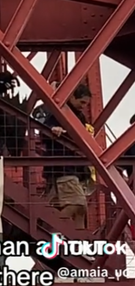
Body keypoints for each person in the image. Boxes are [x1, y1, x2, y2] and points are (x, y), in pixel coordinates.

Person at [42, 84, 93, 229]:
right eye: (82, 102)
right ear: (72, 97)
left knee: (80, 209)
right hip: (63, 167)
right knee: (77, 204)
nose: (84, 106)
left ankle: (78, 242)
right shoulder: (59, 111)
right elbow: (44, 133)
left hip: (70, 168)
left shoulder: (79, 116)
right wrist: (53, 130)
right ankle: (51, 231)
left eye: (86, 103)